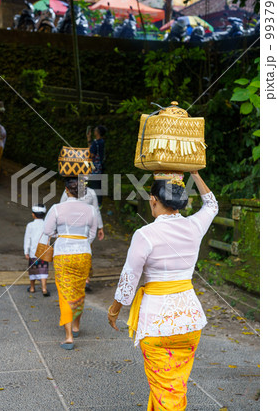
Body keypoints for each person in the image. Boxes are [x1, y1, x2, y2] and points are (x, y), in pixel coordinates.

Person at [108, 171, 219, 410]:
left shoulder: (145, 235)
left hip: (157, 325)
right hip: (190, 323)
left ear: (153, 200)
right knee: (174, 387)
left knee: (163, 389)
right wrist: (194, 173)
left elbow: (129, 279)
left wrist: (115, 310)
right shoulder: (194, 226)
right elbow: (211, 204)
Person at [43, 177, 98, 350]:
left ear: (66, 190)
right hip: (83, 252)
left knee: (65, 292)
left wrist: (62, 235)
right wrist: (82, 241)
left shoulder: (57, 208)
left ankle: (68, 337)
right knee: (79, 290)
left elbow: (47, 231)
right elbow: (93, 233)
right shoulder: (90, 209)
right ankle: (76, 326)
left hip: (63, 253)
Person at [60, 179, 105, 292]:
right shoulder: (90, 193)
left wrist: (100, 226)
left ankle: (79, 279)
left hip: (73, 228)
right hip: (84, 229)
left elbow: (61, 208)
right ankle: (85, 279)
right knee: (85, 252)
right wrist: (100, 226)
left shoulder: (68, 191)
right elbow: (96, 210)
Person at [24, 204, 50, 297]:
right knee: (43, 269)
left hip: (33, 252)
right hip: (44, 251)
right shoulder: (47, 224)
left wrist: (26, 251)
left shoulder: (30, 225)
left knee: (33, 270)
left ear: (33, 214)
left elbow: (27, 239)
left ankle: (32, 287)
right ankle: (44, 288)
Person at [87, 125, 107, 206]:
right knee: (98, 185)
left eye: (95, 130)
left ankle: (96, 204)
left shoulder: (95, 143)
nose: (94, 131)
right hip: (100, 167)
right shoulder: (101, 142)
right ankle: (99, 203)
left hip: (94, 167)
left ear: (97, 132)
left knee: (94, 186)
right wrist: (89, 139)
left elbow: (91, 154)